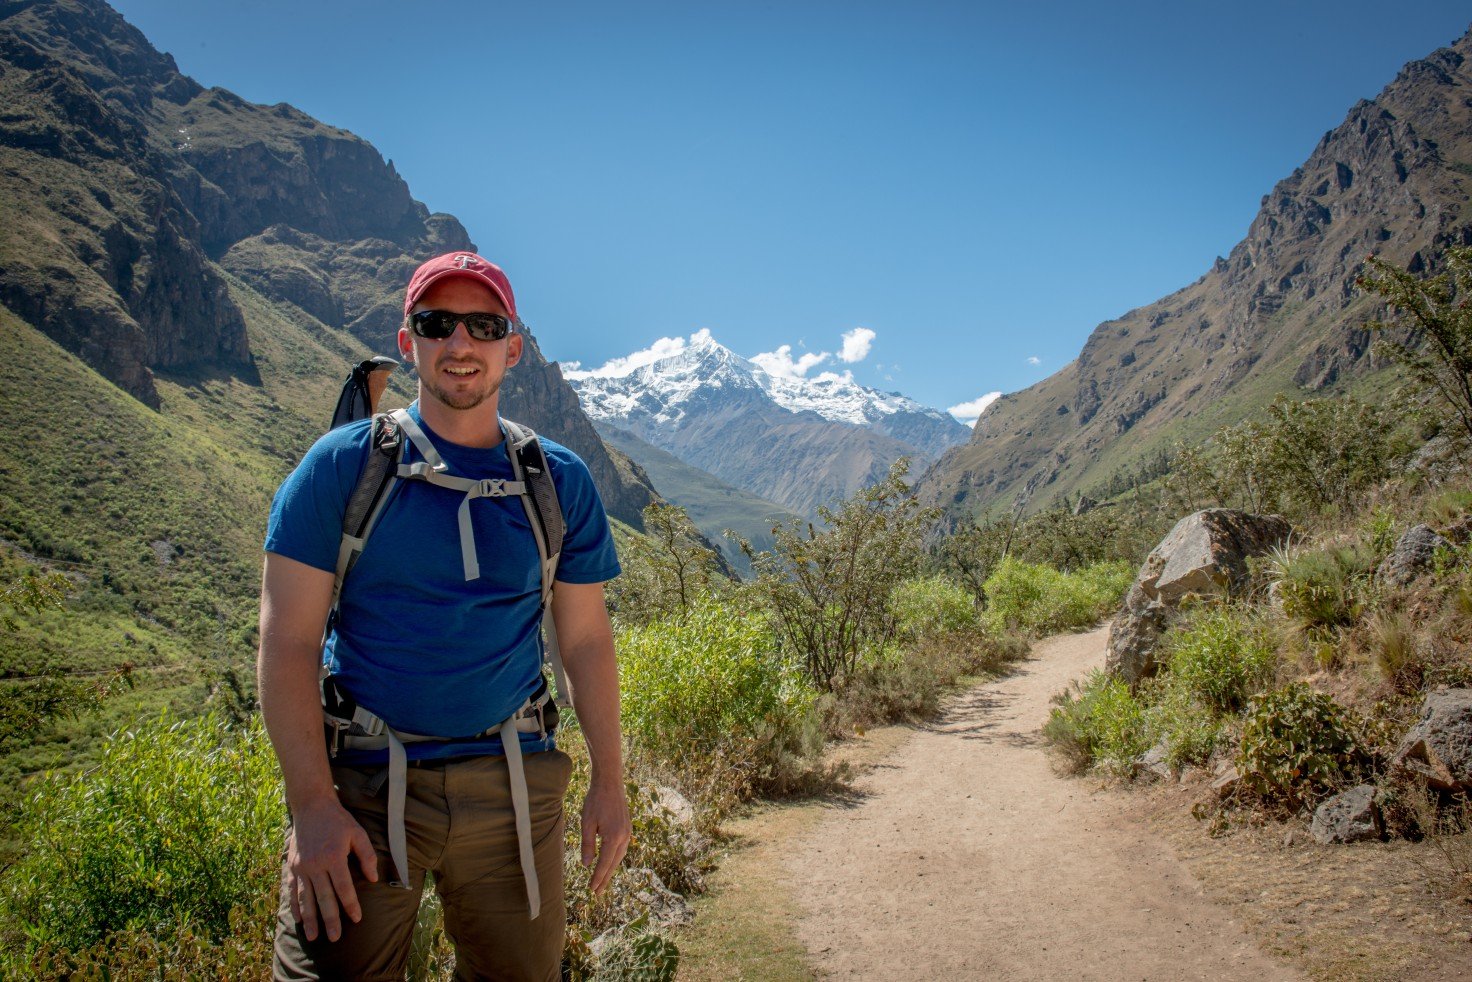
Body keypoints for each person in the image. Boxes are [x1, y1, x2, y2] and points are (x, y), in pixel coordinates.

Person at [258, 251, 630, 980]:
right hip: (362, 788)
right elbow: (288, 641)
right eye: (437, 324)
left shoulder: (558, 480)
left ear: (512, 349)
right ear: (409, 341)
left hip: (515, 782)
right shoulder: (340, 467)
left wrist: (610, 784)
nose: (460, 345)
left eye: (483, 325)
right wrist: (311, 806)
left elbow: (584, 638)